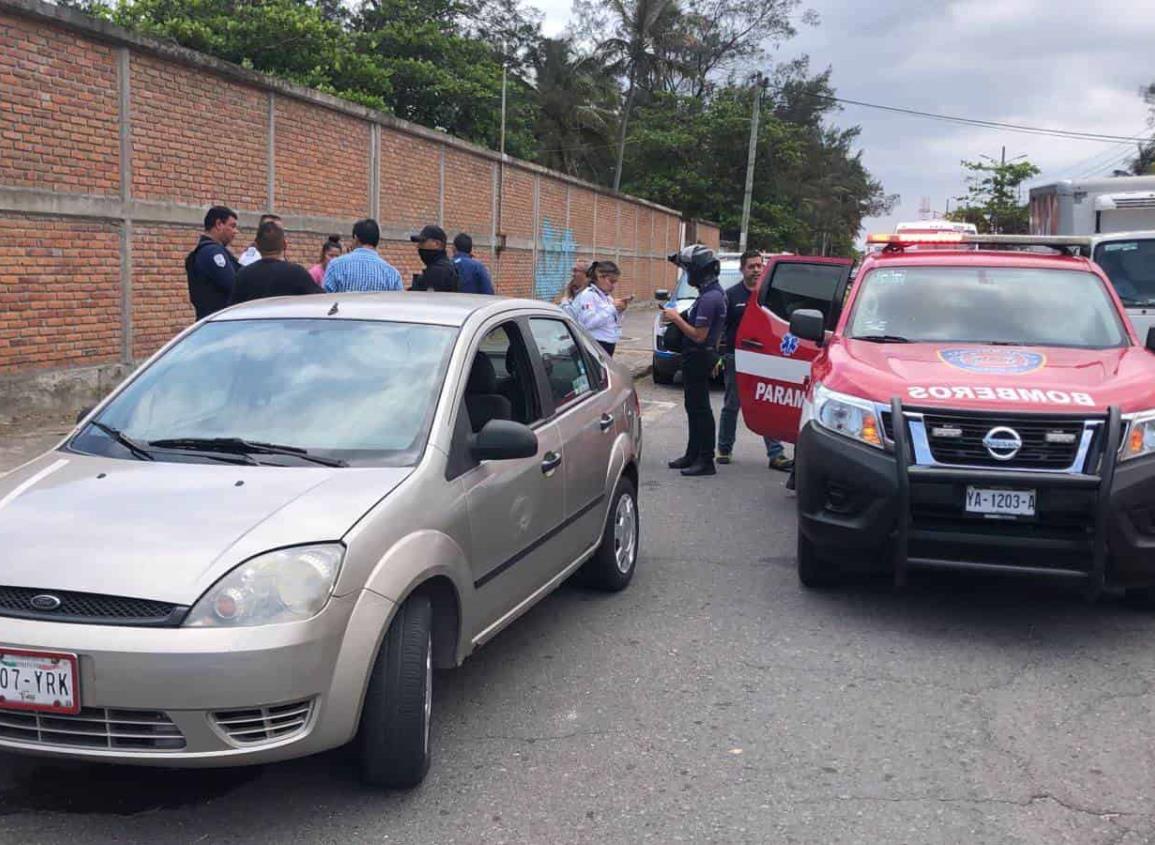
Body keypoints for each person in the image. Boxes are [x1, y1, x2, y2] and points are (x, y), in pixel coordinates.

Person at [717, 250, 794, 472]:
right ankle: (724, 449)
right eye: (751, 266)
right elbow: (721, 328)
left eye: (759, 266)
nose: (756, 270)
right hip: (736, 358)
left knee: (765, 404)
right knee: (732, 405)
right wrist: (719, 356)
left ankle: (776, 454)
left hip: (764, 359)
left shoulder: (771, 296)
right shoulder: (730, 296)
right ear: (743, 270)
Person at [662, 245, 727, 477]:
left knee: (700, 409)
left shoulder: (710, 298)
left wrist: (675, 318)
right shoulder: (710, 294)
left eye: (688, 269)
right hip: (698, 356)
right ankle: (693, 453)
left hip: (698, 356)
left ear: (699, 271)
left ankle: (705, 459)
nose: (687, 274)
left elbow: (699, 335)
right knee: (693, 407)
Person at [229, 219, 322, 305]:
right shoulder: (297, 273)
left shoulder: (243, 274)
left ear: (256, 246)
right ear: (285, 245)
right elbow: (319, 300)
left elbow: (232, 308)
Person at [186, 205, 240, 320]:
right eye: (232, 226)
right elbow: (233, 285)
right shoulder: (212, 252)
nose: (236, 231)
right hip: (219, 322)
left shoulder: (206, 251)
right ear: (219, 224)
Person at [323, 219, 403, 292]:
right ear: (377, 241)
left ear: (356, 238)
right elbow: (399, 304)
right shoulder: (392, 273)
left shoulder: (335, 265)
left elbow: (325, 300)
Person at [573, 260, 630, 356]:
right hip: (597, 343)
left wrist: (620, 311)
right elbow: (588, 323)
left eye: (615, 282)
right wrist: (612, 307)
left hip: (608, 343)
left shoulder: (606, 297)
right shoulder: (589, 295)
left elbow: (612, 321)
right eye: (611, 281)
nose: (614, 286)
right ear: (600, 277)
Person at [410, 225, 459, 292]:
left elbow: (425, 299)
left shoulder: (439, 271)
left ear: (437, 244)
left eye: (422, 242)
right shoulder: (444, 267)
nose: (418, 246)